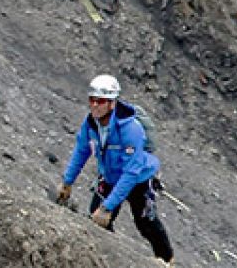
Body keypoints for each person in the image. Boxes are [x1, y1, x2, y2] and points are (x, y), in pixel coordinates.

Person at [56, 74, 175, 265]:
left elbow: (131, 172)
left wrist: (107, 207)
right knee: (96, 219)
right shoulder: (90, 125)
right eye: (92, 100)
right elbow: (81, 152)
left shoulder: (131, 130)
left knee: (146, 223)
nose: (95, 105)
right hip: (110, 176)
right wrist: (67, 182)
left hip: (138, 179)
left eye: (101, 101)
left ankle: (167, 261)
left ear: (112, 103)